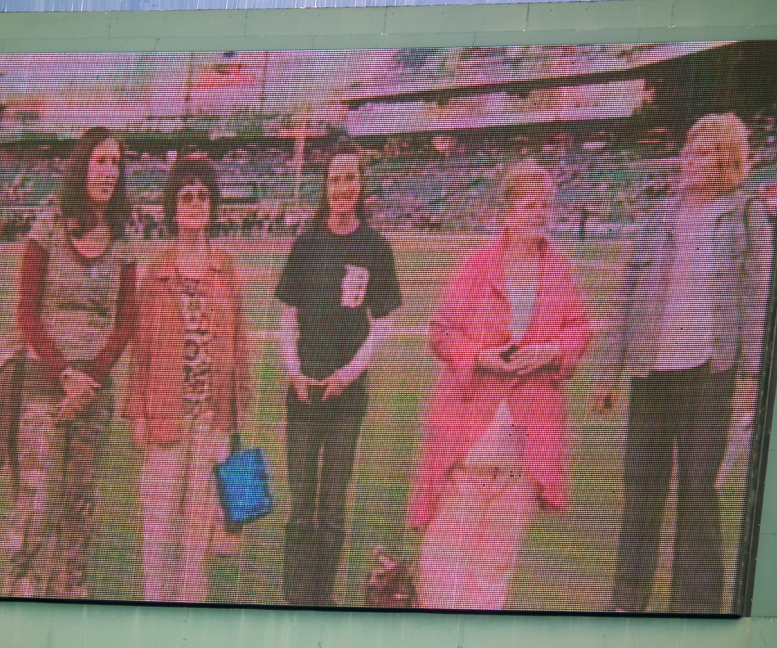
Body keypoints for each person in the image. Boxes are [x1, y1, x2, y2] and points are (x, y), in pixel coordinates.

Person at [593, 113, 773, 614]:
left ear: (730, 162)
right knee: (641, 491)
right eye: (694, 149)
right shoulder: (659, 215)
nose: (697, 159)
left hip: (710, 373)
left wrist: (754, 375)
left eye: (711, 152)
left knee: (698, 490)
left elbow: (759, 299)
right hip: (651, 371)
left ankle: (694, 607)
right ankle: (627, 601)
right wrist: (607, 372)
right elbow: (628, 295)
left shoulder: (746, 213)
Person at [408, 160, 590, 610]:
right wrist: (480, 357)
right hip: (468, 438)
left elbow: (580, 330)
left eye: (542, 205)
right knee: (443, 577)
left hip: (524, 448)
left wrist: (550, 352)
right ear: (507, 211)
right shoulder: (477, 267)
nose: (536, 214)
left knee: (493, 576)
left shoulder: (559, 270)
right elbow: (441, 332)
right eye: (526, 204)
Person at [4, 127, 137, 598]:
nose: (108, 172)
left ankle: (68, 597)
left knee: (79, 510)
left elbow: (126, 321)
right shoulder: (49, 225)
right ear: (82, 166)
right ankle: (17, 597)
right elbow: (26, 312)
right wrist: (63, 372)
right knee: (35, 503)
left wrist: (90, 377)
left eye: (115, 164)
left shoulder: (123, 238)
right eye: (100, 161)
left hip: (93, 394)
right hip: (44, 387)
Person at [274, 142, 402, 606]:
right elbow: (287, 317)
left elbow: (383, 324)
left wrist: (347, 374)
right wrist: (294, 372)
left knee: (331, 508)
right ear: (324, 186)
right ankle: (296, 600)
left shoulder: (375, 247)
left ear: (361, 186)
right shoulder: (307, 244)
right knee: (300, 507)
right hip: (304, 395)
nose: (342, 187)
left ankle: (322, 600)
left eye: (350, 178)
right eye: (334, 178)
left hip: (346, 398)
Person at [125, 152, 250, 603]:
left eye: (202, 196)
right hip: (165, 412)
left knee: (199, 531)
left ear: (213, 204)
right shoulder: (156, 270)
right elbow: (141, 349)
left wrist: (237, 417)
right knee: (160, 526)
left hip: (212, 419)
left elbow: (240, 344)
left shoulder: (226, 266)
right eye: (186, 196)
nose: (195, 204)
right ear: (172, 208)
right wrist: (137, 412)